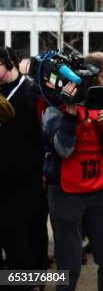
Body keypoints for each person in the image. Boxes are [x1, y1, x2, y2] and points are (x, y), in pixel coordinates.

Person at [41, 58, 103, 291]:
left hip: (98, 192)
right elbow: (63, 150)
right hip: (66, 193)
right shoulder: (54, 107)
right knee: (69, 266)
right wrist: (71, 114)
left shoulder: (99, 105)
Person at [0, 46, 45, 277]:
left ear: (9, 63)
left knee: (27, 237)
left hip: (26, 180)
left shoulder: (31, 93)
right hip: (4, 181)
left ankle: (30, 279)